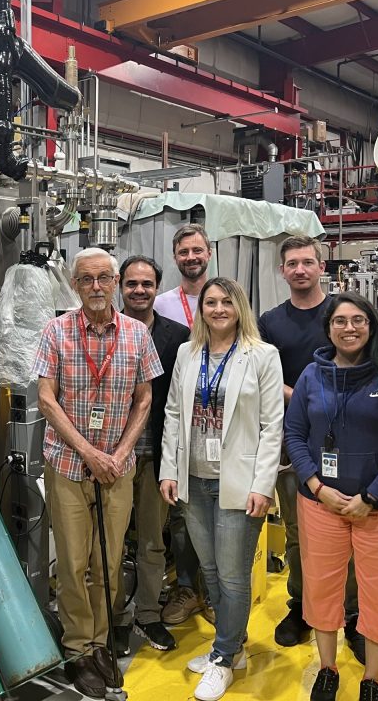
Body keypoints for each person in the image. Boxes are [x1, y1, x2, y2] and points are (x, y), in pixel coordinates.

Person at [34, 247, 162, 699]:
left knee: (107, 563)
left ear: (115, 282)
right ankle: (77, 648)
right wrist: (89, 452)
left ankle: (100, 640)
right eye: (86, 280)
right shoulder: (56, 331)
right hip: (70, 465)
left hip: (118, 468)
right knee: (72, 562)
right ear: (75, 285)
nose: (95, 288)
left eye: (103, 278)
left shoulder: (136, 335)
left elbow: (144, 399)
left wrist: (120, 452)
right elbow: (47, 400)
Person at [285, 292, 378, 701]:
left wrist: (373, 497)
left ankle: (372, 679)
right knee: (321, 589)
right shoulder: (312, 375)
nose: (349, 328)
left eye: (358, 320)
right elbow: (295, 435)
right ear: (328, 328)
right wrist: (317, 487)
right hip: (320, 505)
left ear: (371, 326)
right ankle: (327, 670)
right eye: (340, 321)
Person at [159, 277, 283, 701]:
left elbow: (272, 426)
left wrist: (263, 484)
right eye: (210, 302)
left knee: (232, 576)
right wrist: (168, 470)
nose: (217, 309)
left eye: (226, 302)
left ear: (239, 307)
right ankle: (231, 645)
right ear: (201, 310)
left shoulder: (263, 355)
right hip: (193, 479)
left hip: (239, 481)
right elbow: (174, 413)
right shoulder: (187, 353)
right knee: (210, 570)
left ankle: (224, 656)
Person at [258, 235, 364, 661]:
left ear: (322, 266)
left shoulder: (344, 313)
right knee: (300, 533)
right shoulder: (270, 322)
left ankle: (354, 614)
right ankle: (302, 608)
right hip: (294, 439)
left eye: (307, 262)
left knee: (353, 526)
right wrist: (309, 395)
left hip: (351, 438)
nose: (300, 269)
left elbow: (368, 364)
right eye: (292, 263)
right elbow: (265, 376)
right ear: (282, 271)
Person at [112, 255, 189, 655]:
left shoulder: (177, 336)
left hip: (157, 454)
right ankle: (117, 618)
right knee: (109, 542)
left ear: (157, 288)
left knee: (152, 542)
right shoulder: (106, 329)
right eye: (131, 284)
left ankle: (147, 613)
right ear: (119, 286)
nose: (139, 290)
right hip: (111, 456)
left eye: (147, 284)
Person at [152, 223, 213, 625]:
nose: (191, 258)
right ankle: (188, 587)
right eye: (183, 252)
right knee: (181, 514)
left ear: (209, 253)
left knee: (221, 509)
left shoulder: (223, 296)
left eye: (197, 250)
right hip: (176, 421)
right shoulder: (161, 305)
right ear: (175, 258)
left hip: (220, 422)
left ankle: (218, 591)